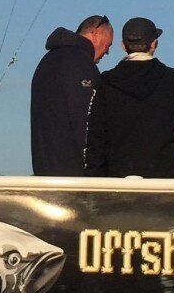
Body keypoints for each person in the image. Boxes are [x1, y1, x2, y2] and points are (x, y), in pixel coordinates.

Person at [85, 17, 174, 179]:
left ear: (123, 46)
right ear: (154, 44)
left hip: (117, 180)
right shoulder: (172, 79)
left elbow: (95, 136)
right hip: (165, 179)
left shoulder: (105, 82)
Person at [29, 15, 112, 175]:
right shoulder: (80, 64)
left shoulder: (48, 60)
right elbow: (85, 120)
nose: (107, 51)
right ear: (96, 33)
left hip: (44, 166)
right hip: (73, 172)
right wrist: (94, 169)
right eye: (108, 44)